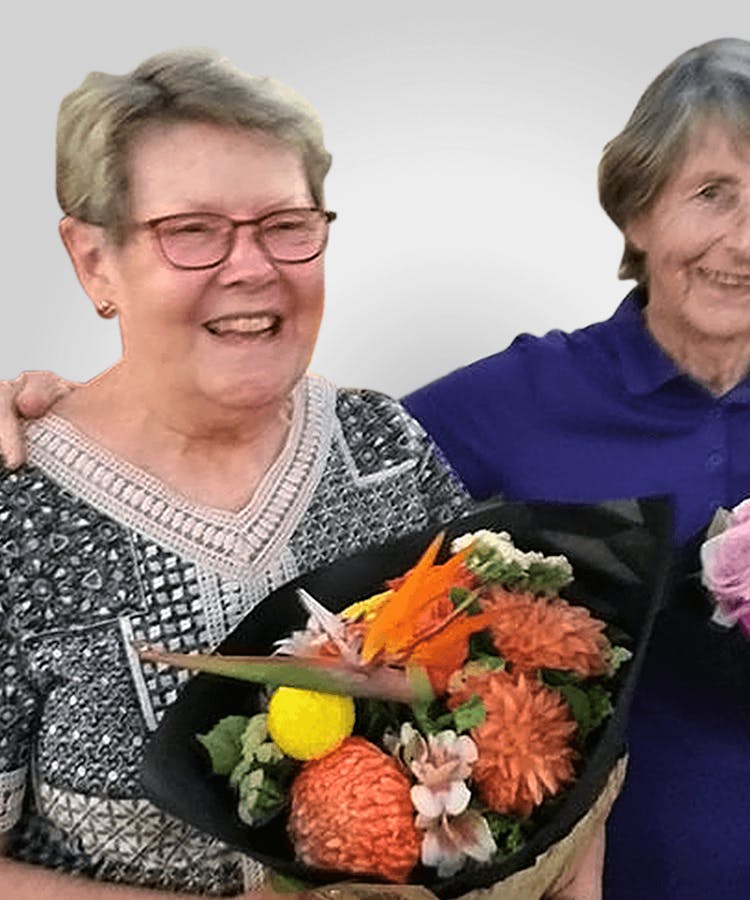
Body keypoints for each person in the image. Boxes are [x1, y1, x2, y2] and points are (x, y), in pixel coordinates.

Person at [6, 36, 750, 898]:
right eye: (711, 193)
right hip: (650, 869)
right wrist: (62, 410)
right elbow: (223, 396)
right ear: (639, 210)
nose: (747, 241)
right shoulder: (491, 406)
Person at [0, 49, 473, 898]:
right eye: (192, 231)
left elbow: (508, 709)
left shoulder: (387, 448)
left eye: (287, 225)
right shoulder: (18, 512)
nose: (252, 267)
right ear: (93, 261)